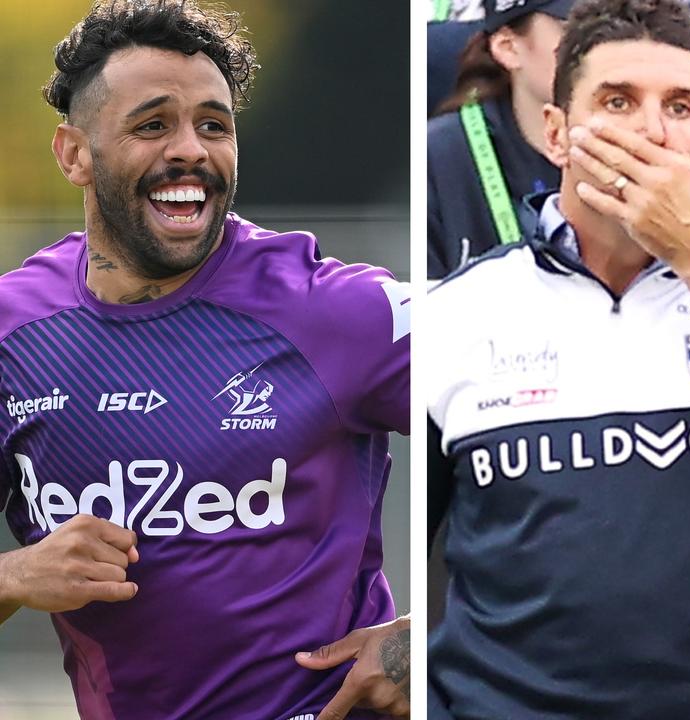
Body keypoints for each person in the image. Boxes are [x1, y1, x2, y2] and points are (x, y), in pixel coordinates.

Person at [425, 0, 690, 717]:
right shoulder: (455, 310)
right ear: (556, 133)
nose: (652, 132)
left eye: (680, 107)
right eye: (617, 102)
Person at [0, 2, 410, 718]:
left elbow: (541, 405)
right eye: (153, 124)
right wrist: (14, 577)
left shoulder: (337, 311)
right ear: (74, 154)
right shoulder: (15, 331)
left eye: (213, 125)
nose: (191, 149)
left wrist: (432, 642)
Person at [427, 0, 573, 279]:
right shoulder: (437, 157)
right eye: (574, 30)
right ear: (508, 48)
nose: (600, 48)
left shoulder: (658, 141)